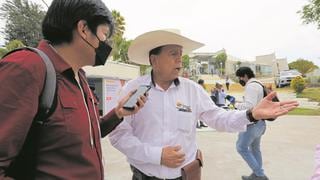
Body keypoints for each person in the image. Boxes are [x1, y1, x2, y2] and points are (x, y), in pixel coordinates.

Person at [108, 29, 298, 179]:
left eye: (181, 55)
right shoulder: (132, 90)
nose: (179, 60)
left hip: (186, 176)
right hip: (144, 177)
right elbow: (118, 135)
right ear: (154, 60)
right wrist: (155, 155)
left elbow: (218, 118)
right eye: (173, 54)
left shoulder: (192, 90)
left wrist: (251, 114)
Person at [0, 0, 146, 179]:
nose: (107, 44)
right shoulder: (27, 67)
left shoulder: (81, 78)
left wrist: (118, 113)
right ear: (84, 29)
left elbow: (84, 133)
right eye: (104, 34)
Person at [234, 67, 269, 180]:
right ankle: (256, 175)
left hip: (252, 124)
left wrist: (236, 105)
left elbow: (249, 106)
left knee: (241, 147)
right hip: (260, 123)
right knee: (255, 148)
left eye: (240, 77)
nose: (240, 80)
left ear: (245, 75)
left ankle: (260, 174)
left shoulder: (251, 86)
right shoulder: (258, 84)